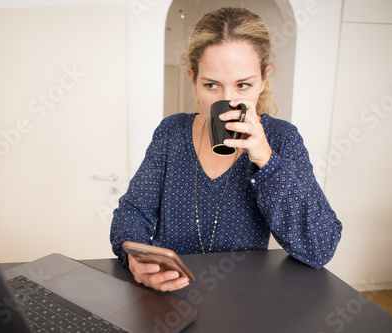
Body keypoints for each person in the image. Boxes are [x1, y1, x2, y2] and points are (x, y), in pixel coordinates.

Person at [110, 7, 342, 292]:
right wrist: (135, 258)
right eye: (212, 85)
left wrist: (266, 161)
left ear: (264, 78)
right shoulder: (171, 133)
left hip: (243, 300)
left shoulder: (282, 139)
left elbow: (321, 246)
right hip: (170, 296)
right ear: (193, 79)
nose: (228, 100)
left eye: (243, 85)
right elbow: (132, 212)